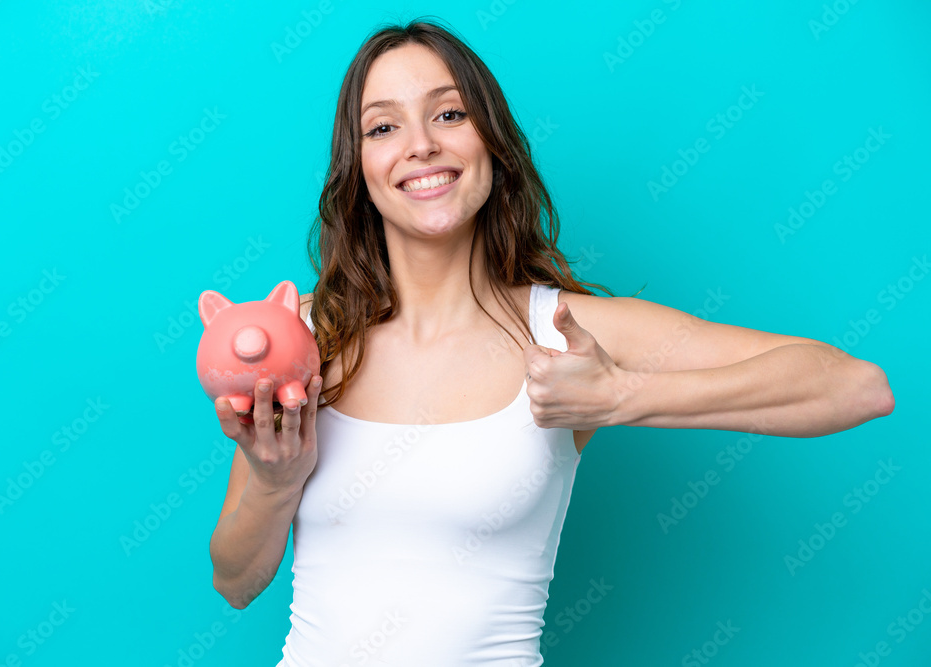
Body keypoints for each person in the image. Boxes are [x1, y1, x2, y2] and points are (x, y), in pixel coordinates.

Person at [208, 17, 894, 666]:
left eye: (449, 114)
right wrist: (277, 479)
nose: (421, 144)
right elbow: (235, 581)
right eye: (384, 126)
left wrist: (626, 394)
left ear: (493, 146)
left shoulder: (565, 333)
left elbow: (856, 385)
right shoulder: (305, 336)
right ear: (358, 168)